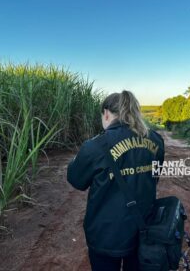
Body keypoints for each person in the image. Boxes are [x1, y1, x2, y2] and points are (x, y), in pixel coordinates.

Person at [67, 90, 165, 271]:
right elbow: (154, 177)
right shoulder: (155, 140)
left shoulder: (94, 146)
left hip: (105, 234)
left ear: (106, 113)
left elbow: (76, 180)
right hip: (142, 229)